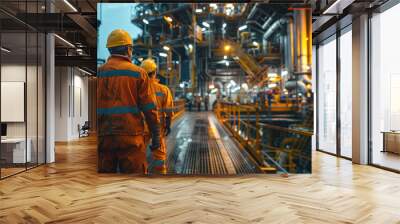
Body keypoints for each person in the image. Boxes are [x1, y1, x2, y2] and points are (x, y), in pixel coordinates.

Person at [97, 29, 161, 174]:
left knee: (104, 180)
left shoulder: (99, 73)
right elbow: (150, 108)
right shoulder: (138, 74)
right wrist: (156, 135)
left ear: (109, 49)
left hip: (104, 136)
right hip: (131, 136)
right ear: (128, 49)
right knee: (135, 178)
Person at [141, 58, 174, 174]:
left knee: (139, 153)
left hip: (141, 126)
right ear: (154, 73)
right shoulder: (164, 89)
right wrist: (168, 125)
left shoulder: (139, 89)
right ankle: (160, 174)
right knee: (160, 154)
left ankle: (140, 176)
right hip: (158, 127)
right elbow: (168, 109)